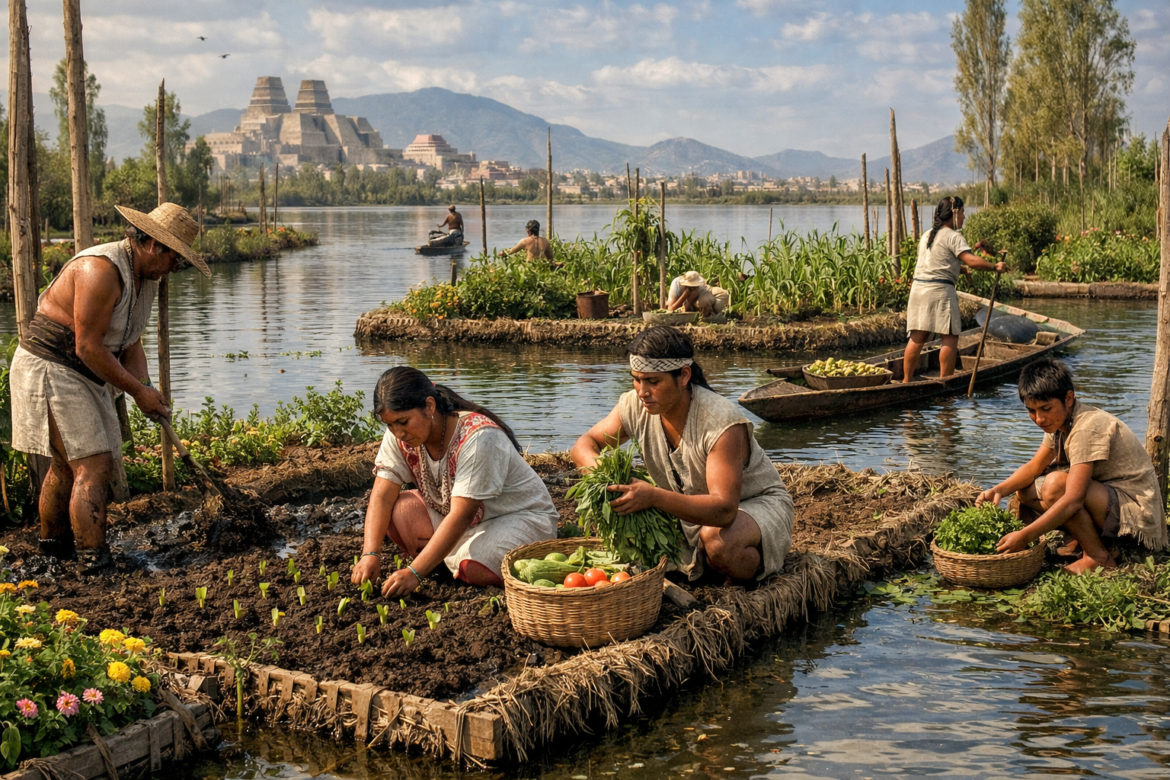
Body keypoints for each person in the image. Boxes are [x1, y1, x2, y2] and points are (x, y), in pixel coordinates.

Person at [9, 203, 210, 568]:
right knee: (94, 464)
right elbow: (87, 345)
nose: (176, 267)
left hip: (85, 371)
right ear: (153, 245)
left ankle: (54, 551)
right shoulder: (99, 270)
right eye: (175, 257)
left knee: (68, 465)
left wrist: (147, 387)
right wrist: (136, 392)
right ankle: (93, 562)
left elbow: (130, 341)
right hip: (53, 366)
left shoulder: (144, 279)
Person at [570, 327, 794, 583]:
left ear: (684, 376)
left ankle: (748, 573)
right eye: (636, 379)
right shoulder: (634, 405)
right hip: (688, 509)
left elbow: (724, 510)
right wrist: (607, 480)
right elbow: (584, 446)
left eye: (653, 382)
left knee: (717, 541)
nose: (642, 391)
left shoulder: (720, 422)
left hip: (755, 505)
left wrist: (653, 497)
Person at [351, 367, 558, 598]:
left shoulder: (479, 437)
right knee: (399, 512)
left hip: (518, 517)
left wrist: (415, 573)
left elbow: (461, 515)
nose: (398, 433)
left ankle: (450, 564)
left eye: (403, 422)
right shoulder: (401, 435)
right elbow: (381, 496)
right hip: (460, 520)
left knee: (474, 568)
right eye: (390, 425)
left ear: (429, 406)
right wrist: (370, 553)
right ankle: (445, 561)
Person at [977, 359, 1167, 574]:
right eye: (1031, 410)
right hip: (1106, 500)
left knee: (1056, 485)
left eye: (1045, 409)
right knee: (1026, 490)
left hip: (1136, 512)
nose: (1039, 419)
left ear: (1068, 398)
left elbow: (1074, 499)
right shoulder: (1059, 422)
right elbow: (1034, 467)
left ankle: (1097, 556)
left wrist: (1025, 536)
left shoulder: (1086, 427)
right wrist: (998, 490)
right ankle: (1080, 538)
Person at [902, 195, 1006, 383]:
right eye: (963, 212)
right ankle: (945, 383)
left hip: (918, 290)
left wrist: (961, 269)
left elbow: (936, 262)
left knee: (918, 337)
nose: (964, 217)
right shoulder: (953, 236)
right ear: (955, 212)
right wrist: (994, 267)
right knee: (949, 337)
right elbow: (972, 260)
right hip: (940, 291)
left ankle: (906, 381)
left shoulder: (927, 235)